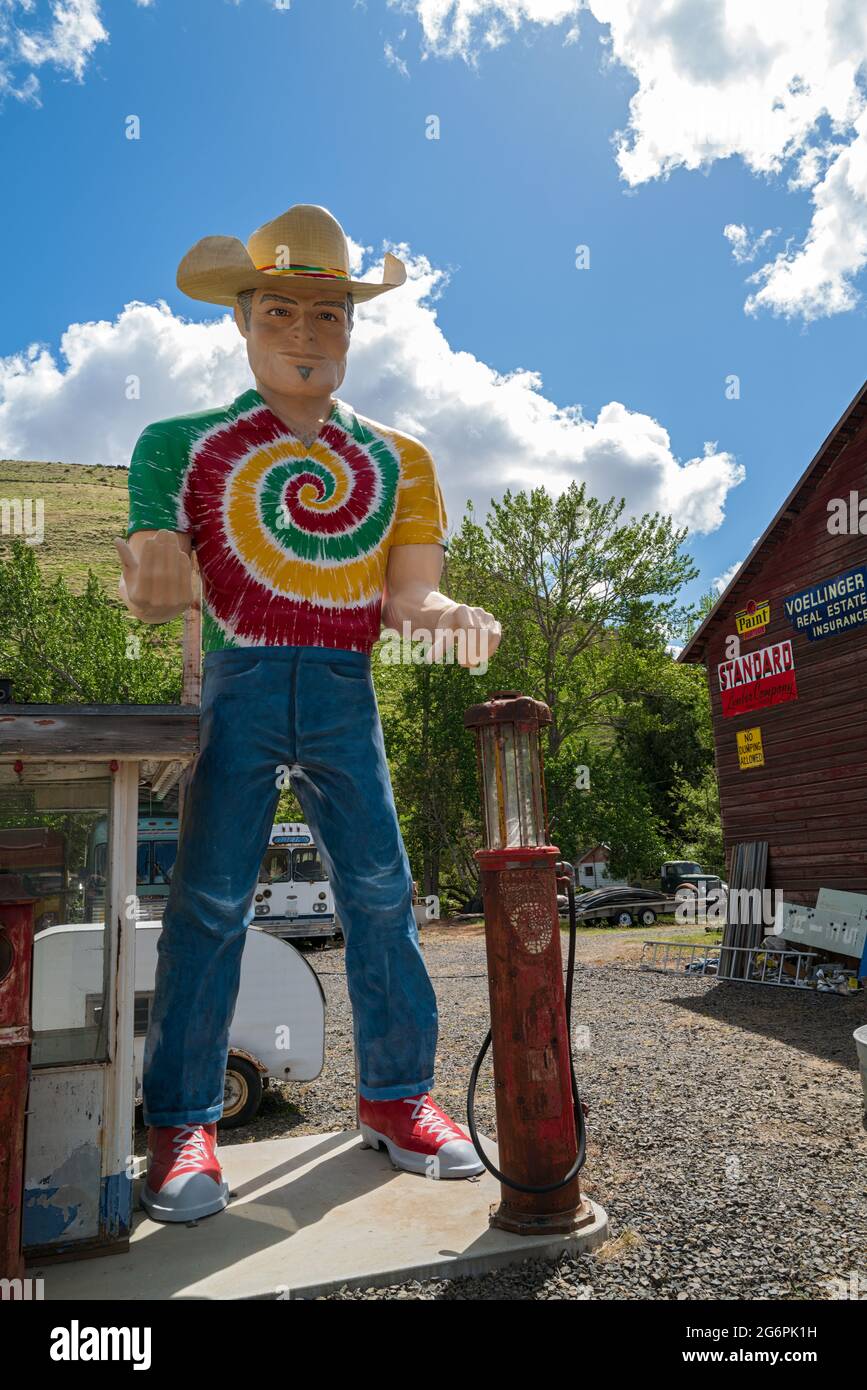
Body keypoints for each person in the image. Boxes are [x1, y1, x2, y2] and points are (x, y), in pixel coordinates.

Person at [115, 204, 501, 1222]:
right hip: (238, 683)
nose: (303, 333)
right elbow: (151, 573)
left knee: (381, 891)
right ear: (242, 322)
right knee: (207, 901)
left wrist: (449, 613)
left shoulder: (400, 461)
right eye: (280, 309)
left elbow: (407, 598)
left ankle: (398, 1094)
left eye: (328, 315)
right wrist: (150, 563)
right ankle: (182, 1122)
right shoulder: (181, 447)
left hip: (343, 685)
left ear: (352, 331)